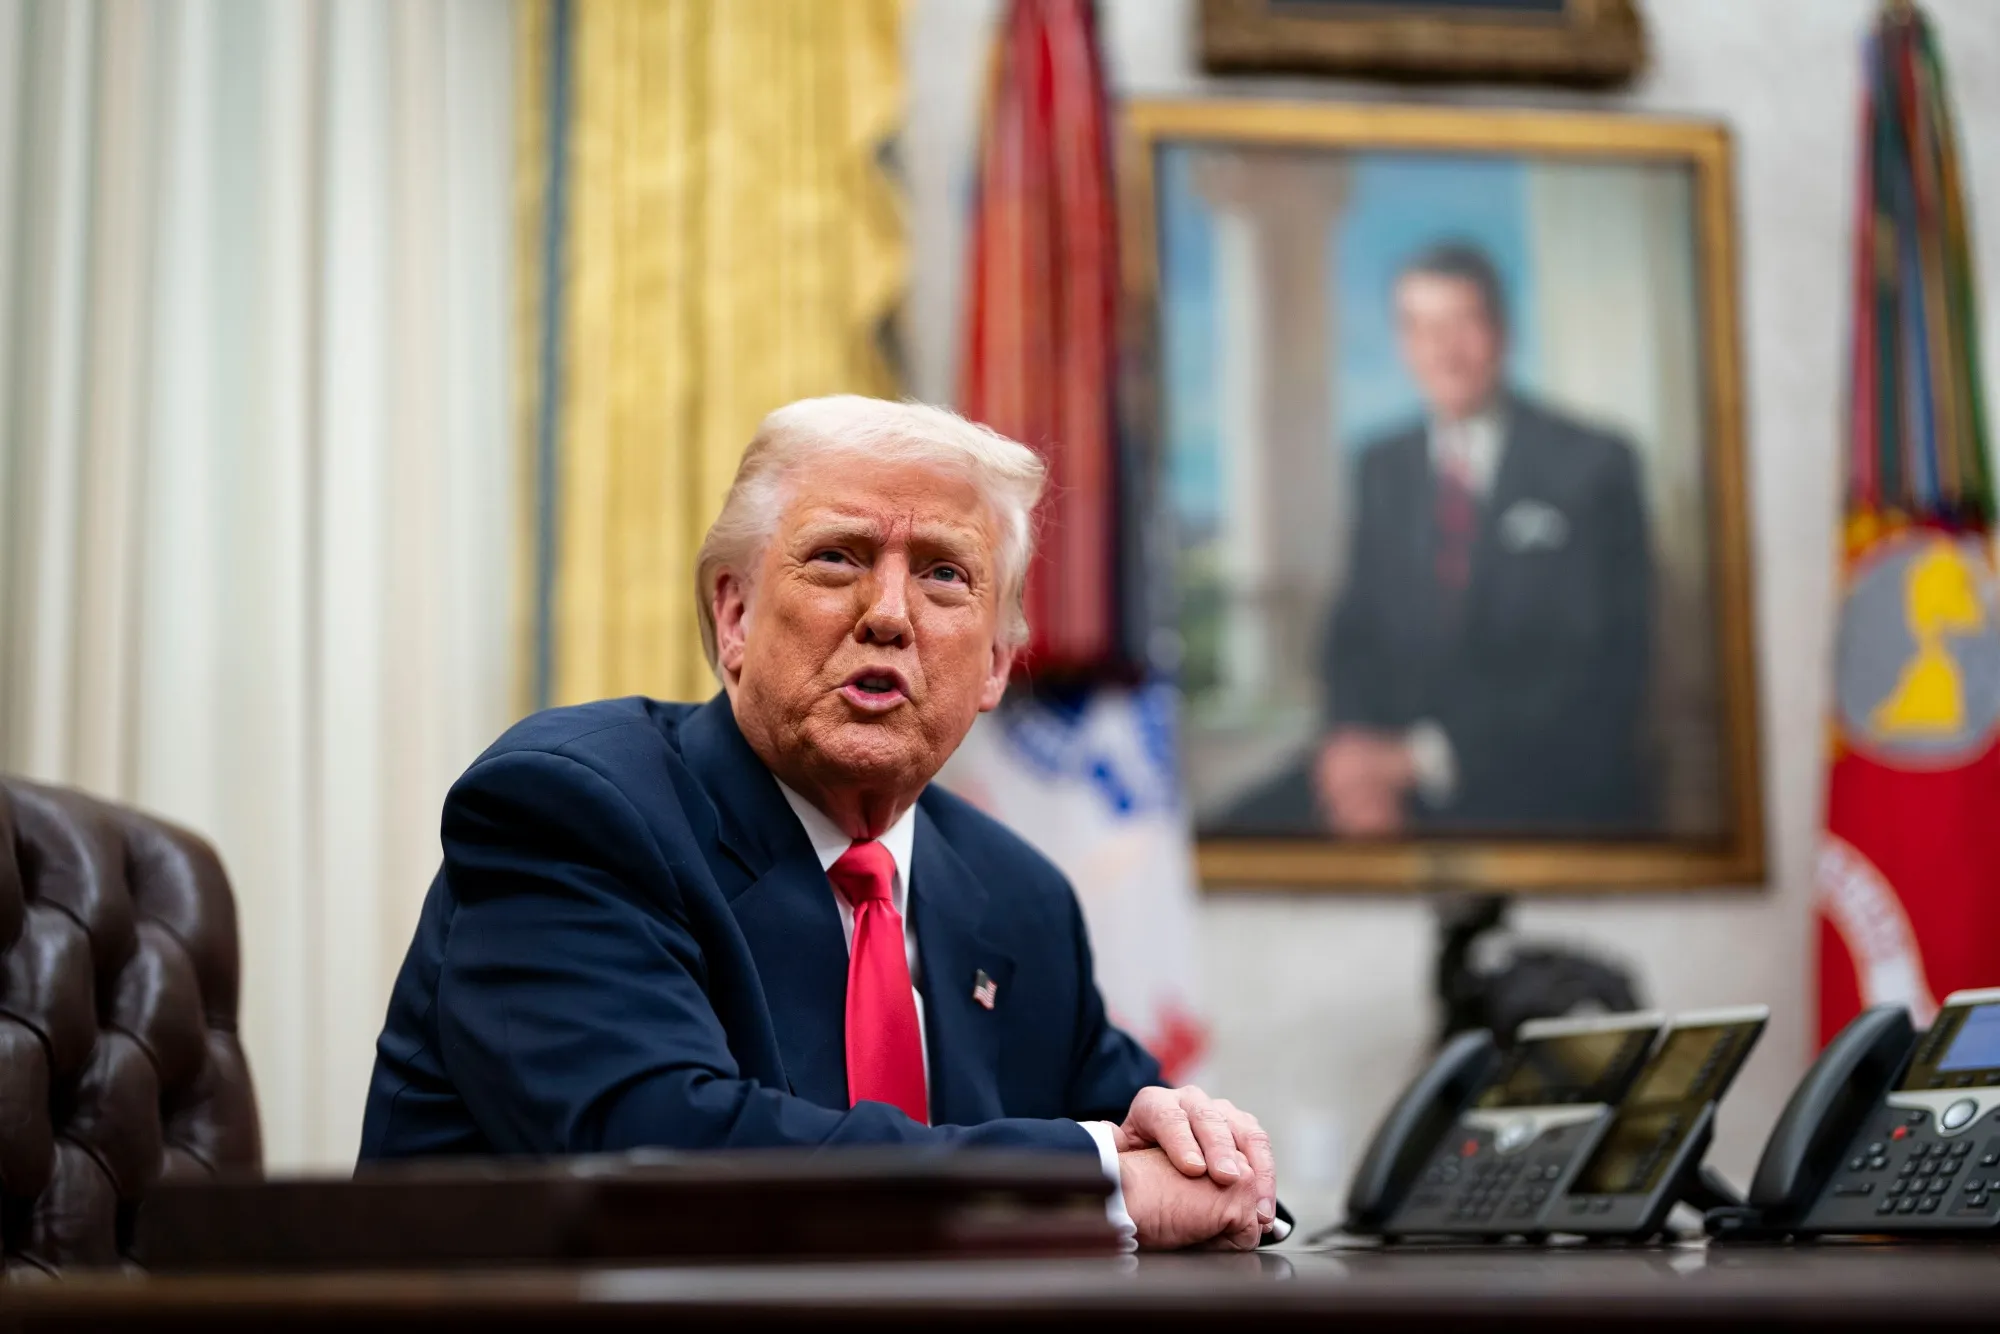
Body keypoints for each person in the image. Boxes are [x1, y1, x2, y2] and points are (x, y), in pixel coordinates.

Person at [359, 396, 1282, 1251]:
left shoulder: (1016, 897)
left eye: (944, 576)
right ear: (734, 614)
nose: (887, 615)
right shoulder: (571, 810)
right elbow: (657, 1161)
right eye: (838, 557)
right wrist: (1095, 1184)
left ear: (997, 665)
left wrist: (1213, 1159)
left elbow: (1165, 1159)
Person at [1312, 242, 1654, 836]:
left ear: (1501, 330)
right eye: (1419, 327)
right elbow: (1352, 631)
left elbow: (1600, 667)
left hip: (1543, 794)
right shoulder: (1379, 466)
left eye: (1460, 324)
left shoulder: (1593, 463)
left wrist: (1419, 760)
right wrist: (1352, 757)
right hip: (1388, 799)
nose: (1442, 351)